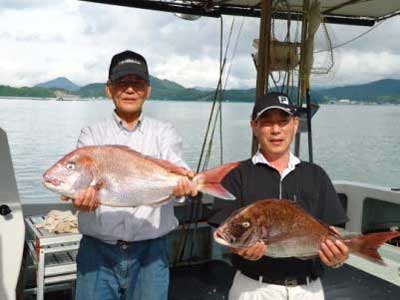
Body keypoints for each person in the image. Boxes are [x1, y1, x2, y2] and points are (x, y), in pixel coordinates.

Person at [65, 50, 197, 300]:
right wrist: (79, 201)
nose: (129, 90)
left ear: (148, 90)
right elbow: (80, 184)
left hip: (151, 253)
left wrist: (184, 185)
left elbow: (176, 167)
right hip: (97, 253)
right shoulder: (91, 135)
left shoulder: (164, 132)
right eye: (121, 83)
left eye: (136, 83)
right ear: (108, 89)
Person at [209, 92, 349, 300]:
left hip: (308, 290)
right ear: (254, 126)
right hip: (253, 289)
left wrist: (338, 256)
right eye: (267, 122)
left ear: (295, 124)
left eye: (283, 122)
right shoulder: (236, 175)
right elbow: (223, 232)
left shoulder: (316, 174)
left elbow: (334, 230)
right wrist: (239, 250)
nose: (276, 130)